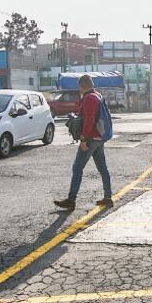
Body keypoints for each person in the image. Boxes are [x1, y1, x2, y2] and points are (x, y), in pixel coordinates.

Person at [54, 74, 113, 210]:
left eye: (79, 87)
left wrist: (84, 139)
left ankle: (71, 200)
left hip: (91, 139)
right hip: (99, 138)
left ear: (81, 86)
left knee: (77, 168)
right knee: (102, 168)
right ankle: (108, 197)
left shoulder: (89, 98)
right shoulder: (98, 95)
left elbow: (89, 120)